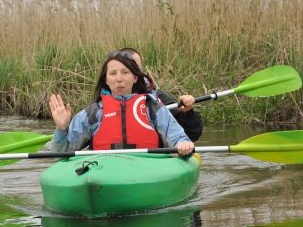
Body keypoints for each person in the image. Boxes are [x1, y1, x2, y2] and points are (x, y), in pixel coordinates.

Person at [48, 51, 194, 156]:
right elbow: (61, 153)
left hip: (147, 167)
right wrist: (61, 129)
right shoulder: (93, 113)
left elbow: (178, 138)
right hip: (104, 170)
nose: (119, 79)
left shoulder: (153, 107)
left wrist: (183, 145)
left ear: (135, 78)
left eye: (125, 72)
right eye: (112, 73)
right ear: (106, 80)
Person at [112, 47, 203, 142]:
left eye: (136, 67)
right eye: (127, 68)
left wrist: (187, 113)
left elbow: (192, 134)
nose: (134, 71)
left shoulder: (157, 98)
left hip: (152, 154)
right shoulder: (101, 105)